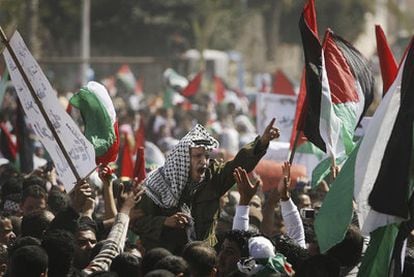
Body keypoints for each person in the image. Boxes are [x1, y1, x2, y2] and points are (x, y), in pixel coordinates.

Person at [133, 119, 280, 253]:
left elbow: (238, 164)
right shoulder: (158, 184)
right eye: (197, 156)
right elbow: (137, 222)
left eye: (207, 156)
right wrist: (165, 222)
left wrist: (261, 143)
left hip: (204, 258)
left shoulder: (213, 177)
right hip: (168, 259)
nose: (204, 161)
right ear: (184, 159)